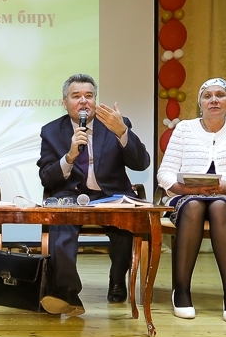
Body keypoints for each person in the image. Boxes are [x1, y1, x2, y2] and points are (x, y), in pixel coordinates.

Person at [156, 78, 226, 324]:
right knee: (194, 205)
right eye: (207, 96)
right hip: (187, 197)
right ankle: (182, 291)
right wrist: (183, 188)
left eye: (220, 95)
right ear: (200, 103)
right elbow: (164, 173)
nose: (214, 100)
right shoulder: (184, 128)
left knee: (219, 206)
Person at [37, 73, 150, 317]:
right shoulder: (51, 131)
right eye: (76, 96)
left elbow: (142, 164)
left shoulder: (115, 124)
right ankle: (68, 291)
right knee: (61, 226)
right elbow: (46, 177)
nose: (83, 101)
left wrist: (122, 132)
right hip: (71, 196)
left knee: (125, 225)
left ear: (95, 100)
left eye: (89, 96)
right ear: (65, 102)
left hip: (110, 195)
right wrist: (69, 157)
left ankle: (117, 280)